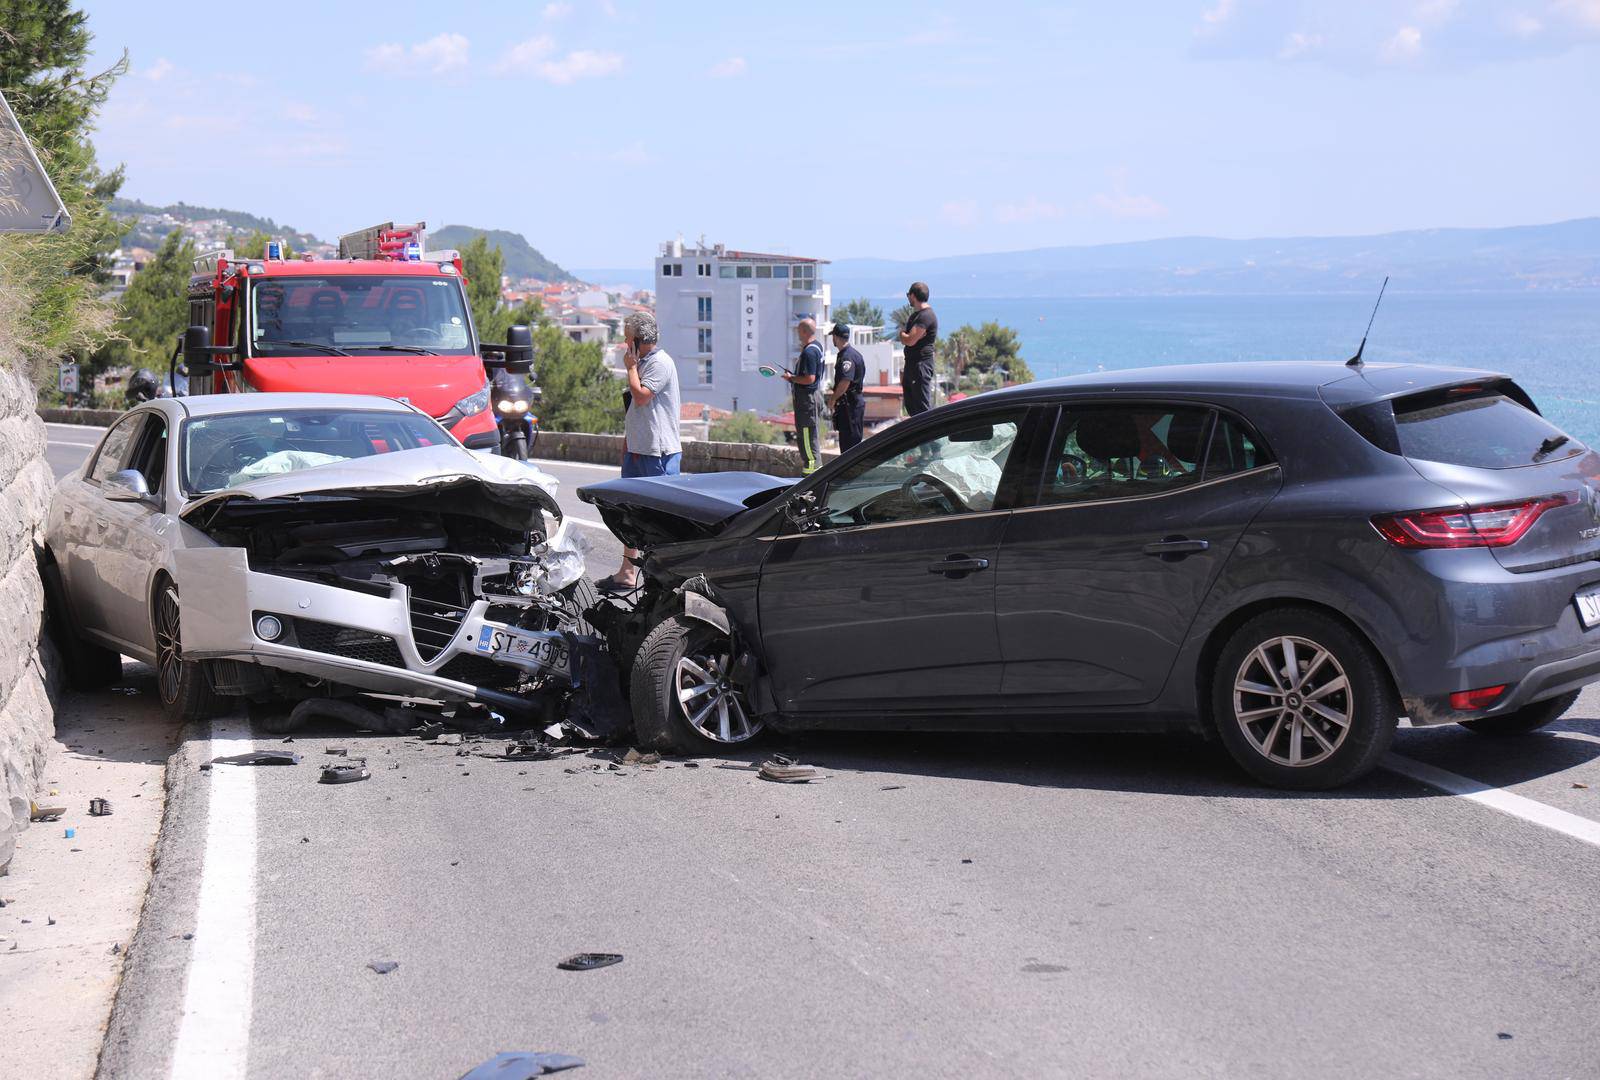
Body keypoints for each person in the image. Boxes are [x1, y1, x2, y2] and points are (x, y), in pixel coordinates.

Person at [597, 312, 681, 592]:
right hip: (637, 450)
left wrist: (630, 368)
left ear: (637, 340)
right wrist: (627, 442)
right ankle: (627, 572)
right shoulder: (643, 362)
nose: (623, 340)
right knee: (629, 516)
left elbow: (642, 396)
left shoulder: (660, 363)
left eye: (626, 336)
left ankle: (663, 578)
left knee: (658, 518)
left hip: (658, 453)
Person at [784, 317, 824, 474]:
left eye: (799, 330)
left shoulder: (809, 352)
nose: (797, 334)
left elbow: (809, 378)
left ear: (804, 331)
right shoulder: (817, 347)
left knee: (807, 439)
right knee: (810, 437)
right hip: (811, 398)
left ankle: (809, 477)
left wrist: (791, 378)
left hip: (807, 401)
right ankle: (813, 473)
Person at [898, 281, 938, 416]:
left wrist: (902, 334)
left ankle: (931, 437)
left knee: (922, 409)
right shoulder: (915, 316)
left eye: (908, 295)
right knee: (912, 408)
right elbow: (909, 337)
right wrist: (906, 335)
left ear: (913, 295)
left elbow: (909, 340)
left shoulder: (926, 316)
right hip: (911, 365)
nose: (908, 298)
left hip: (921, 365)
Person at [826, 322, 866, 452]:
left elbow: (845, 382)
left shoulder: (846, 357)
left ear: (836, 337)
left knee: (850, 447)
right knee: (849, 444)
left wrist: (832, 399)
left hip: (850, 406)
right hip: (851, 405)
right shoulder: (853, 354)